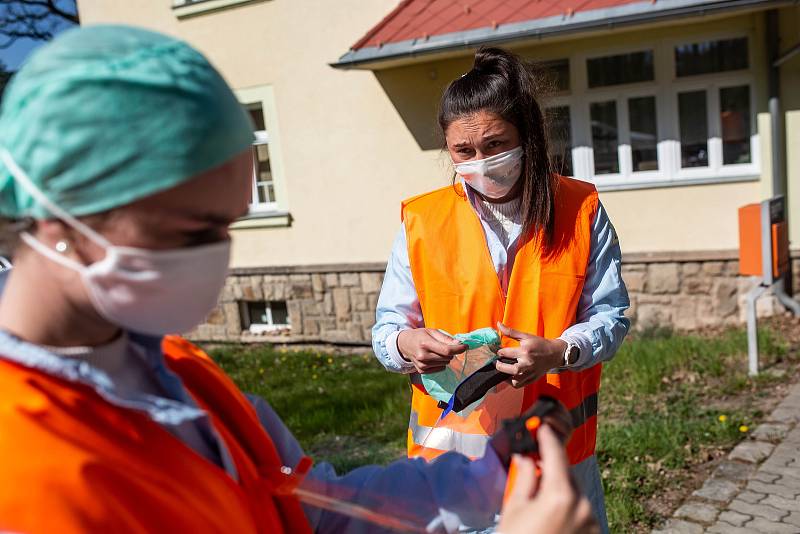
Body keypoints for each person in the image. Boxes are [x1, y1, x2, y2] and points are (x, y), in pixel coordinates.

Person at [0, 25, 596, 534]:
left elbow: (313, 512)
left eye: (230, 224)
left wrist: (488, 477)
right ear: (63, 212)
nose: (219, 258)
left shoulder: (179, 375)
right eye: (195, 229)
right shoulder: (26, 472)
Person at [372, 47, 630, 533]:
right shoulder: (422, 221)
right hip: (453, 472)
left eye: (495, 145)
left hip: (554, 460)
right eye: (463, 152)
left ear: (527, 136)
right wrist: (407, 344)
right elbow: (387, 329)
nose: (480, 162)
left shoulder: (580, 209)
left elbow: (612, 318)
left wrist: (560, 350)